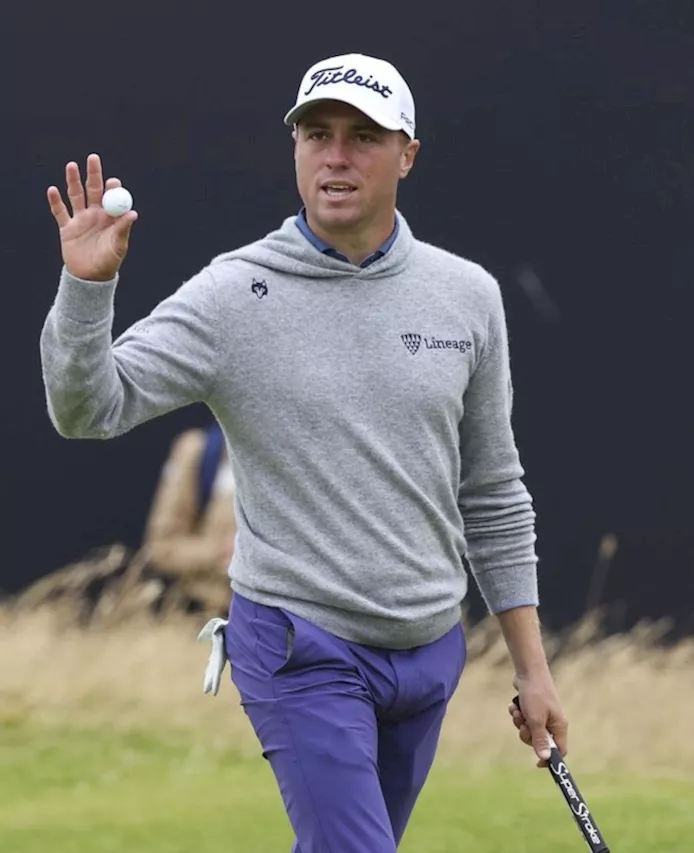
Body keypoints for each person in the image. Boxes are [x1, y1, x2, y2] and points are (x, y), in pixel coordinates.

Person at [39, 52, 568, 852]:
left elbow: (492, 490)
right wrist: (86, 293)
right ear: (294, 150)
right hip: (300, 644)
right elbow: (88, 408)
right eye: (316, 134)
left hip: (428, 650)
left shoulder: (468, 295)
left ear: (407, 155)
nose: (337, 155)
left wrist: (533, 668)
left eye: (363, 136)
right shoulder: (232, 295)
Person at [138, 419, 236, 615]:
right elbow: (161, 547)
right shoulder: (200, 451)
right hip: (210, 615)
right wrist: (220, 552)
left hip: (288, 624)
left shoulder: (305, 453)